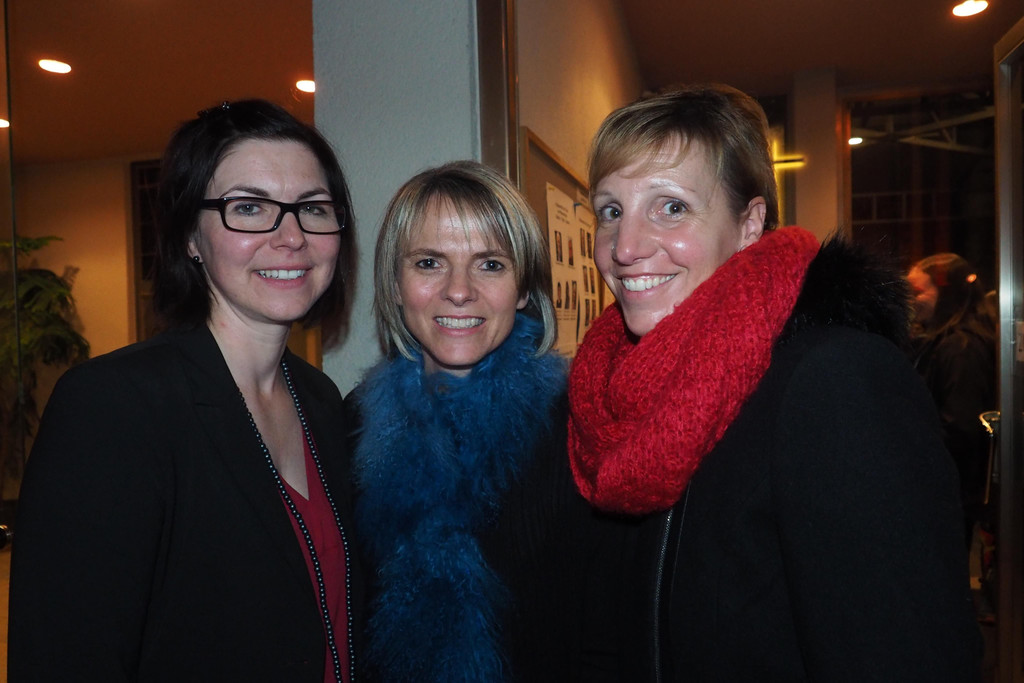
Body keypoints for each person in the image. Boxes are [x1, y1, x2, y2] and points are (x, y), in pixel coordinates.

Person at [568, 84, 982, 681]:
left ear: (749, 224)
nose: (625, 248)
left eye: (671, 207)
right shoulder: (612, 398)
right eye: (611, 211)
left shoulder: (836, 382)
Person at [9, 99, 363, 682]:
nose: (292, 235)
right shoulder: (113, 407)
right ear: (190, 237)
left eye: (312, 208)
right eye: (248, 207)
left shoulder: (324, 401)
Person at [350, 160, 602, 681]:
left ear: (524, 288)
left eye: (490, 264)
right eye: (428, 263)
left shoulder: (580, 426)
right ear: (394, 284)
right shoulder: (350, 426)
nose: (459, 290)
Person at [908, 253, 997, 549]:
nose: (911, 300)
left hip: (948, 492)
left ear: (946, 295)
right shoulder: (945, 341)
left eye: (918, 291)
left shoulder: (961, 348)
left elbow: (960, 427)